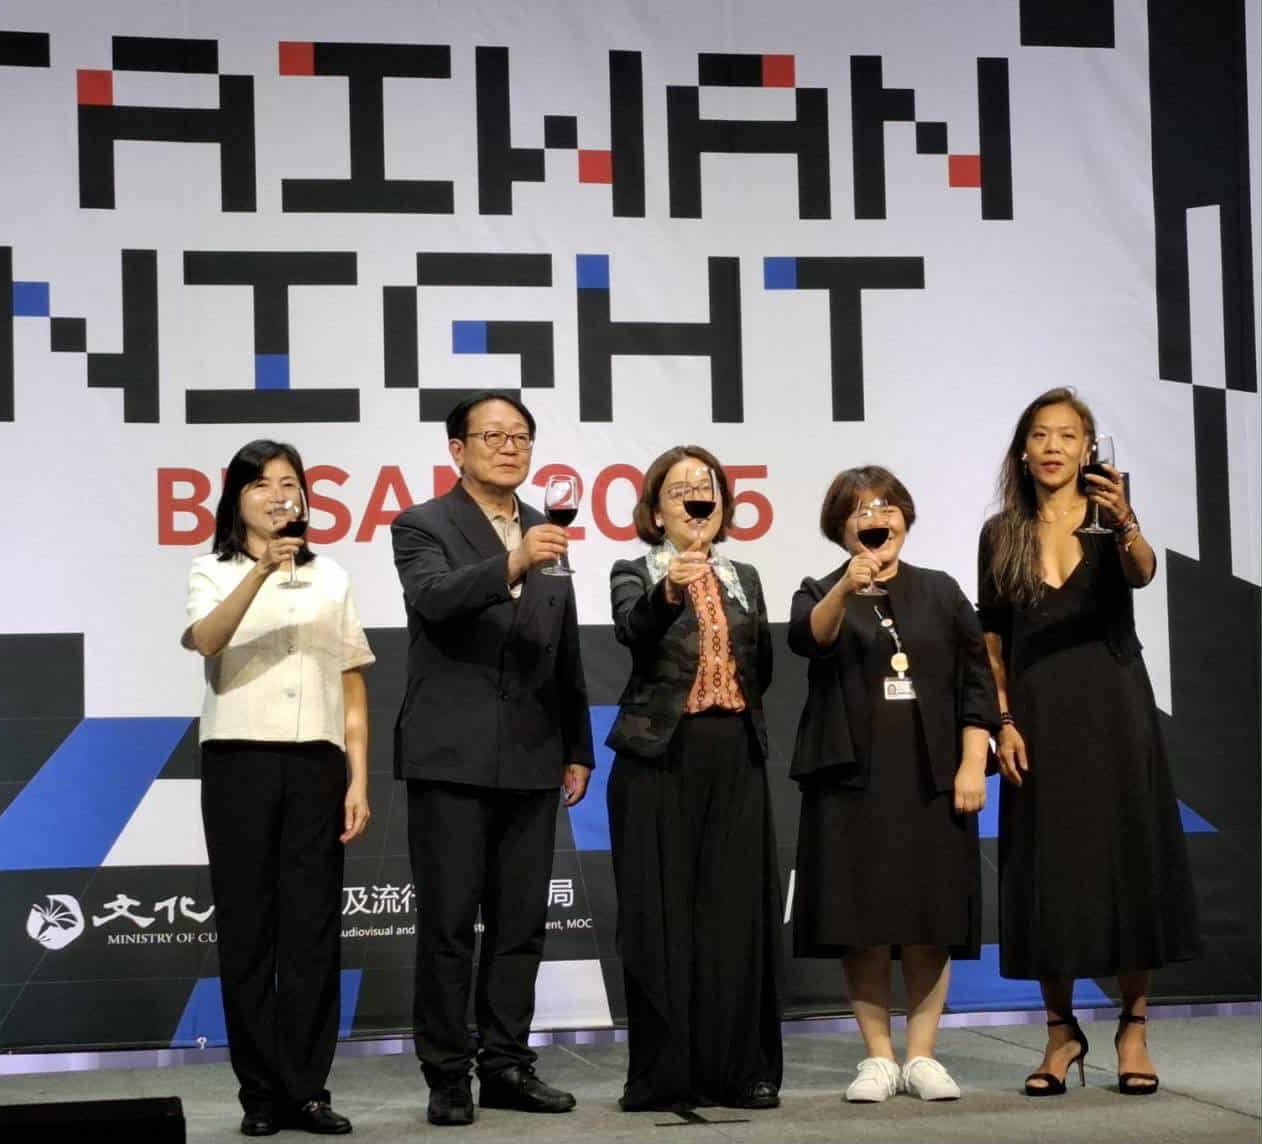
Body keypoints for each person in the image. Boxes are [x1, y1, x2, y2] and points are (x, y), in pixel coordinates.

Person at [977, 388, 1199, 1096]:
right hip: (1037, 717)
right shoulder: (1001, 532)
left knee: (1129, 860)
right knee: (1048, 868)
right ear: (1023, 450)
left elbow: (1143, 573)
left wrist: (1126, 519)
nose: (1053, 447)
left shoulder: (1110, 522)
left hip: (1115, 708)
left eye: (1067, 436)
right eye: (1040, 435)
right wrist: (1002, 721)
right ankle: (1060, 1033)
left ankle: (1133, 1028)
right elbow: (992, 639)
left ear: (1088, 449)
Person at [390, 391, 595, 1127]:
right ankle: (448, 1074)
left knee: (520, 924)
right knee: (449, 925)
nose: (510, 448)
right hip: (451, 753)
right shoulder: (421, 524)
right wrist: (512, 560)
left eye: (521, 437)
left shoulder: (545, 528)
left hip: (535, 751)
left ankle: (507, 1064)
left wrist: (576, 746)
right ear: (458, 449)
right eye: (493, 436)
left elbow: (564, 642)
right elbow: (435, 599)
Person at [788, 466, 997, 1104]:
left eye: (887, 507)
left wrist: (971, 761)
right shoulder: (821, 589)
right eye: (861, 511)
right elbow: (809, 638)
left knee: (932, 916)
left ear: (905, 516)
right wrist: (846, 587)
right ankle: (878, 1057)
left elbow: (976, 682)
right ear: (840, 527)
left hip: (932, 776)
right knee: (864, 919)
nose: (877, 519)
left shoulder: (941, 590)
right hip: (851, 778)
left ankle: (923, 1055)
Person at [182, 440, 374, 1137]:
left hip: (317, 764)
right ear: (237, 499)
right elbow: (206, 640)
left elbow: (351, 681)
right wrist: (261, 572)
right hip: (238, 761)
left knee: (312, 931)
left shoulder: (332, 576)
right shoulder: (213, 570)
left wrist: (358, 776)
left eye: (288, 483)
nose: (277, 495)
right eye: (260, 484)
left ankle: (307, 1090)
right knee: (248, 931)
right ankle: (259, 1094)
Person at [605, 445, 785, 1112]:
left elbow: (761, 668)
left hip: (735, 753)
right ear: (657, 512)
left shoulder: (746, 577)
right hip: (660, 756)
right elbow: (633, 630)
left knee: (735, 918)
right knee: (660, 919)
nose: (694, 499)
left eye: (704, 488)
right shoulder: (635, 572)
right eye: (678, 491)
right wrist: (672, 589)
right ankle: (663, 1074)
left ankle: (743, 1071)